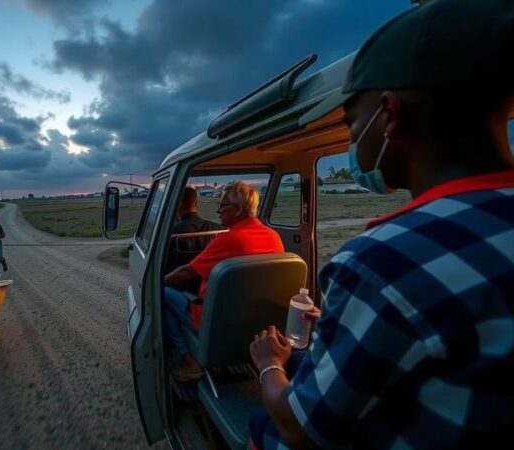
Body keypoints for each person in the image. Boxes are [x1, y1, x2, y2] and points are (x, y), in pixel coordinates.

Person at [249, 1, 514, 448]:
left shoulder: (381, 259)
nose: (353, 143)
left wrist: (269, 365)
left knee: (262, 424)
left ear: (389, 115)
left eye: (352, 125)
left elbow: (301, 429)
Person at [164, 181, 284, 381]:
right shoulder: (273, 236)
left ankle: (189, 360)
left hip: (216, 322)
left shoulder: (229, 240)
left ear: (237, 209)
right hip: (257, 321)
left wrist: (161, 280)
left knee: (161, 293)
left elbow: (186, 273)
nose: (218, 211)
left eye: (223, 205)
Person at [166, 186, 225, 292]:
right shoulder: (217, 229)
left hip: (180, 288)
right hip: (210, 287)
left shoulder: (173, 233)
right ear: (196, 204)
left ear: (178, 204)